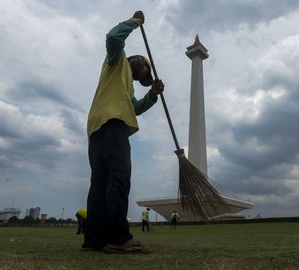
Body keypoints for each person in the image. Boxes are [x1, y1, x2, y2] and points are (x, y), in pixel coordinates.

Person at [82, 10, 163, 254]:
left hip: (97, 128)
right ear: (138, 61)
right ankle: (118, 238)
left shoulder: (126, 84)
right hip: (112, 123)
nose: (142, 74)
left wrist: (151, 96)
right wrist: (135, 22)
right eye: (144, 72)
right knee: (118, 179)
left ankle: (94, 240)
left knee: (100, 184)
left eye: (143, 76)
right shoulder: (118, 58)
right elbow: (114, 37)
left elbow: (134, 108)